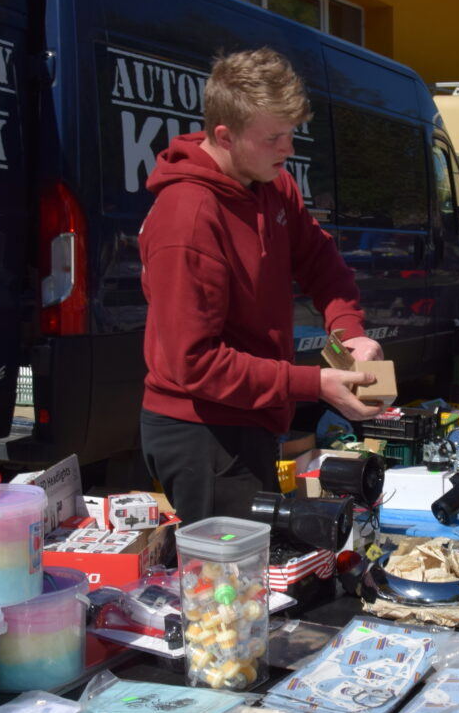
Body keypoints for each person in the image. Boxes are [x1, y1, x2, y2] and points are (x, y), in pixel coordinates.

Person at [138, 47, 382, 524]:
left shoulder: (271, 184)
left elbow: (320, 261)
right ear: (225, 136)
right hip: (203, 432)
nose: (288, 149)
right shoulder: (188, 217)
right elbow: (195, 363)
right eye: (274, 138)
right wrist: (314, 384)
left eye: (291, 134)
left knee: (262, 558)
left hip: (254, 415)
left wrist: (348, 332)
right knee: (233, 569)